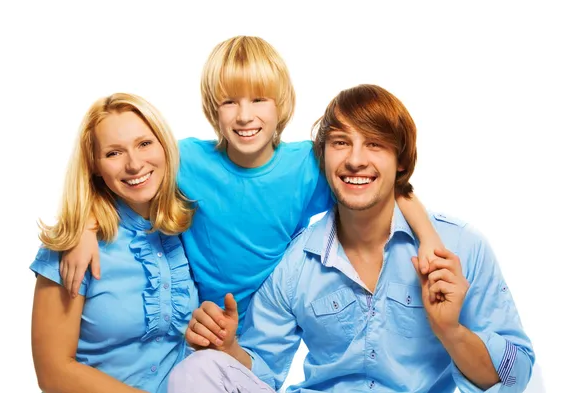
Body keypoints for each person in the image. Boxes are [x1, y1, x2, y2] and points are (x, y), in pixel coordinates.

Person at [59, 36, 444, 332]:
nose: (245, 116)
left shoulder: (307, 165)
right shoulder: (186, 159)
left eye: (259, 99)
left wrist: (429, 238)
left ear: (281, 106)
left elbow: (388, 189)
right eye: (229, 102)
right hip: (199, 321)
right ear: (213, 109)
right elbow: (125, 181)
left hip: (272, 323)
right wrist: (86, 230)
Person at [171, 84, 535, 393]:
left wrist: (450, 330)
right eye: (341, 143)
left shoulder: (459, 248)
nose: (355, 160)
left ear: (401, 163)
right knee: (195, 370)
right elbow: (263, 370)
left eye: (374, 144)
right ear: (324, 157)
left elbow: (516, 375)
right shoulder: (297, 262)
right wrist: (228, 346)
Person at [30, 93, 198, 393]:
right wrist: (84, 223)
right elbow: (53, 373)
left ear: (165, 146)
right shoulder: (72, 245)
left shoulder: (188, 223)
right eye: (113, 153)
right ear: (94, 164)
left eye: (144, 144)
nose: (135, 164)